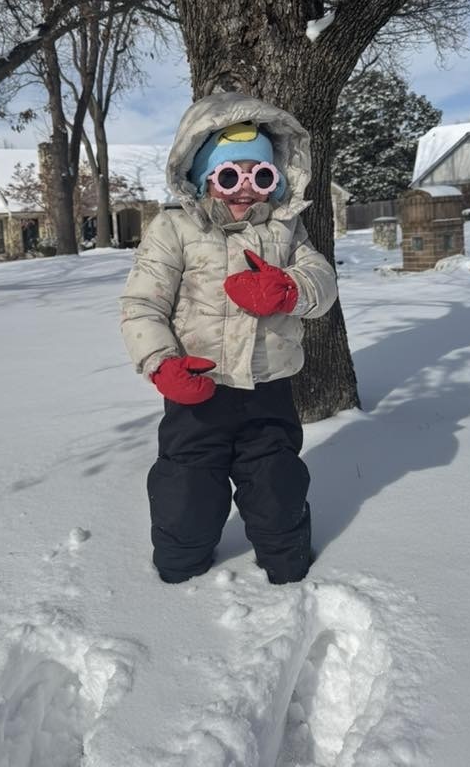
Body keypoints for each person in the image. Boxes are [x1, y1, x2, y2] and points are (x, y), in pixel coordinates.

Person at [119, 92, 338, 585]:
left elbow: (322, 284)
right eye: (229, 177)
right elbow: (142, 304)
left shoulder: (287, 229)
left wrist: (289, 290)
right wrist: (161, 363)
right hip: (199, 390)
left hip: (269, 390)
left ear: (276, 181)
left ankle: (287, 564)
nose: (247, 191)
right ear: (203, 180)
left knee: (276, 485)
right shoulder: (174, 228)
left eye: (261, 176)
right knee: (186, 489)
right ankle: (180, 568)